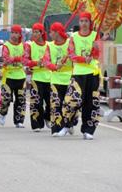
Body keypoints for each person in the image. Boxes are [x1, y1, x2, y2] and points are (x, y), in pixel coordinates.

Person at [55, 12, 101, 140]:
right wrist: (82, 59)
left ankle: (88, 130)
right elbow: (71, 54)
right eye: (82, 21)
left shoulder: (95, 36)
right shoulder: (73, 37)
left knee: (91, 103)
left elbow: (98, 55)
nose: (84, 23)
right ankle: (66, 125)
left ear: (90, 23)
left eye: (86, 21)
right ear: (79, 22)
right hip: (78, 74)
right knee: (71, 100)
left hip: (93, 73)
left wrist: (96, 49)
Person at [43, 22, 73, 135]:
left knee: (69, 104)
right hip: (55, 79)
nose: (50, 34)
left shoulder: (70, 44)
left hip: (69, 78)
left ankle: (69, 124)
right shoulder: (49, 46)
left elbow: (74, 56)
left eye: (51, 31)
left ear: (57, 32)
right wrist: (54, 67)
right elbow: (46, 61)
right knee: (55, 104)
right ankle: (56, 128)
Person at [0, 25, 26, 128]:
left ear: (20, 34)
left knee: (21, 100)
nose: (14, 34)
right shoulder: (6, 45)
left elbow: (25, 58)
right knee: (6, 98)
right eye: (12, 32)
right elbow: (6, 59)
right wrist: (18, 58)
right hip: (9, 75)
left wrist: (14, 58)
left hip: (20, 76)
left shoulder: (23, 45)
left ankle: (19, 121)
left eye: (16, 33)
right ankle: (3, 113)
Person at [24, 23, 50, 132]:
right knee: (36, 102)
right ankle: (36, 124)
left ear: (42, 33)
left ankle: (47, 117)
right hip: (36, 78)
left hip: (49, 77)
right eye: (33, 32)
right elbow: (24, 60)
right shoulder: (29, 45)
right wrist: (35, 63)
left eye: (37, 32)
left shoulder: (49, 45)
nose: (34, 34)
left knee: (51, 102)